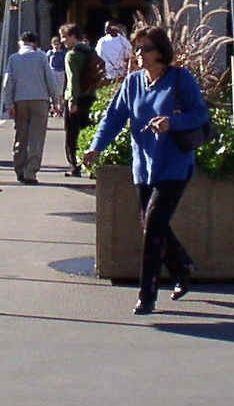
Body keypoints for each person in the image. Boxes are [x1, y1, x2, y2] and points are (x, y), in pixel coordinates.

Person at [85, 26, 210, 316]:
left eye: (145, 49)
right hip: (143, 166)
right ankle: (182, 268)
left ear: (160, 53)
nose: (139, 54)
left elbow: (200, 113)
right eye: (137, 48)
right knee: (153, 225)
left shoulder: (180, 79)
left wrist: (172, 123)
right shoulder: (132, 83)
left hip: (174, 164)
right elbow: (113, 117)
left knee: (153, 227)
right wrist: (96, 146)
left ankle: (147, 294)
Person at [2, 31, 62, 184]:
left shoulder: (13, 58)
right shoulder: (41, 57)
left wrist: (9, 104)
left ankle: (19, 168)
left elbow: (8, 82)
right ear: (34, 43)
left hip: (20, 100)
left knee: (21, 135)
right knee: (36, 136)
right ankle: (31, 171)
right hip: (40, 100)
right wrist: (56, 101)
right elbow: (50, 80)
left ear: (21, 42)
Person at [60, 23, 100, 177]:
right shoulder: (90, 52)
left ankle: (74, 166)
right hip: (90, 97)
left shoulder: (71, 55)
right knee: (88, 131)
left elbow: (73, 80)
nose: (63, 40)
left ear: (72, 36)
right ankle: (91, 166)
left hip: (77, 99)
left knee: (72, 134)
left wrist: (72, 100)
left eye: (64, 37)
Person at [96, 21, 131, 86]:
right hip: (108, 74)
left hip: (121, 73)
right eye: (105, 27)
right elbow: (99, 57)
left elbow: (128, 56)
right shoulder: (101, 41)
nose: (106, 29)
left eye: (108, 27)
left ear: (114, 27)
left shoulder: (123, 41)